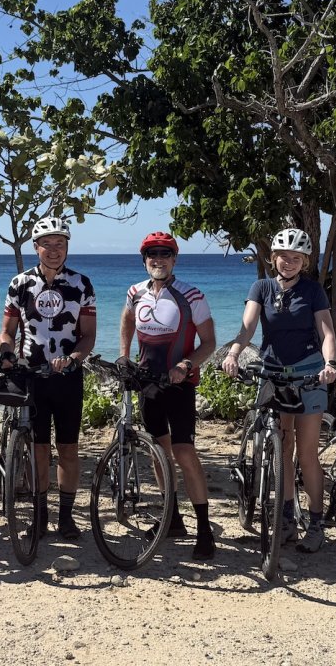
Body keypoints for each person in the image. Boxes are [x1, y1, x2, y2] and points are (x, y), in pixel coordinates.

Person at [221, 228, 336, 551]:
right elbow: (247, 327)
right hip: (273, 375)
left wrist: (330, 363)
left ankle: (316, 523)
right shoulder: (261, 287)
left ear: (304, 262)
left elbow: (327, 332)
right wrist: (233, 353)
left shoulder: (313, 291)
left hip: (309, 376)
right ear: (273, 258)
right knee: (283, 448)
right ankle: (286, 518)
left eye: (296, 258)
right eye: (283, 256)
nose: (289, 262)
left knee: (307, 453)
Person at [118, 232, 218, 560]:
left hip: (179, 384)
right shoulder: (135, 292)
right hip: (148, 383)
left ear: (174, 259)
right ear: (144, 260)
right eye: (151, 255)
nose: (157, 259)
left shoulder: (191, 295)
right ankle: (172, 519)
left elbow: (208, 342)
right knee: (158, 452)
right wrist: (124, 355)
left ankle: (204, 528)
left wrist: (187, 364)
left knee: (184, 451)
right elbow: (127, 319)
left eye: (165, 254)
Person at [0, 216, 96, 540]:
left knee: (68, 448)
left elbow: (88, 335)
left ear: (67, 247)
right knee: (38, 449)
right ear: (35, 247)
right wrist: (6, 353)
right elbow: (7, 331)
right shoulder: (19, 283)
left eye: (60, 244)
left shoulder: (82, 284)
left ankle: (65, 518)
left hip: (67, 378)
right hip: (32, 378)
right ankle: (39, 518)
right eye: (47, 244)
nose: (54, 250)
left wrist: (75, 358)